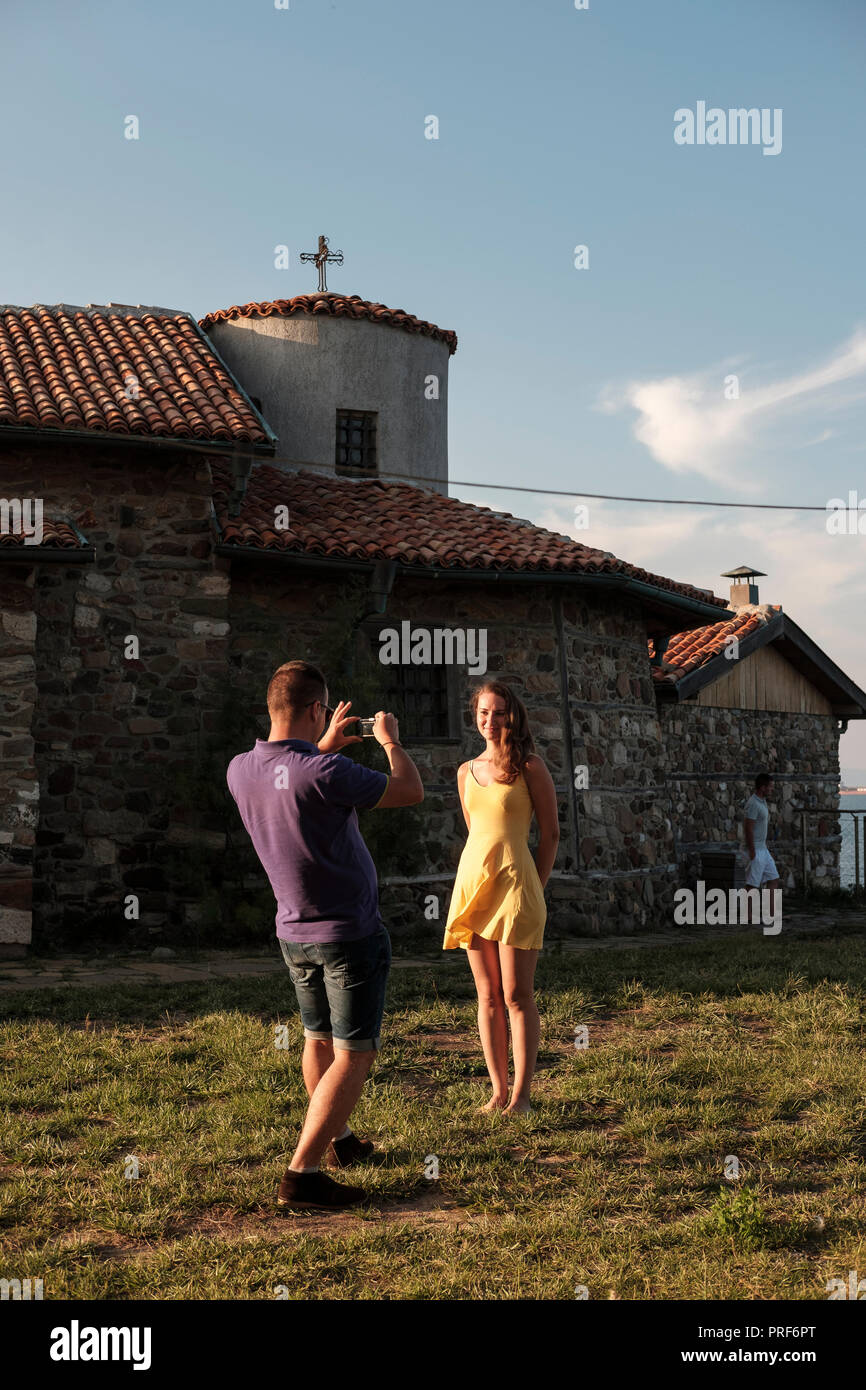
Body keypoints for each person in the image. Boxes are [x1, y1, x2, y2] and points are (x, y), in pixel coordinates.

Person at [226, 660, 423, 1210]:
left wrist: (325, 745)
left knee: (316, 1040)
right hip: (349, 934)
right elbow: (409, 791)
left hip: (294, 931)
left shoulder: (240, 769)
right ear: (317, 709)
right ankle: (302, 1173)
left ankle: (338, 1143)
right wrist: (389, 742)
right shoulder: (326, 773)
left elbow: (293, 783)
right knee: (354, 1053)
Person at [443, 681, 559, 1114]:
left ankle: (523, 1097)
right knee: (487, 995)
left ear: (513, 716)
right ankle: (496, 1093)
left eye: (499, 713)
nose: (490, 721)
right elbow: (476, 833)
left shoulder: (531, 766)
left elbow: (550, 834)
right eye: (483, 713)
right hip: (474, 886)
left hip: (518, 888)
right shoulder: (464, 772)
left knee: (516, 994)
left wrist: (537, 887)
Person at [743, 772, 782, 921]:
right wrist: (752, 851)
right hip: (755, 850)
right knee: (752, 885)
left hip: (762, 849)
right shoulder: (753, 804)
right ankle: (748, 916)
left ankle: (771, 913)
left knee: (773, 879)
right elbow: (748, 828)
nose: (772, 790)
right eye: (770, 787)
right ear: (762, 787)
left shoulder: (762, 801)